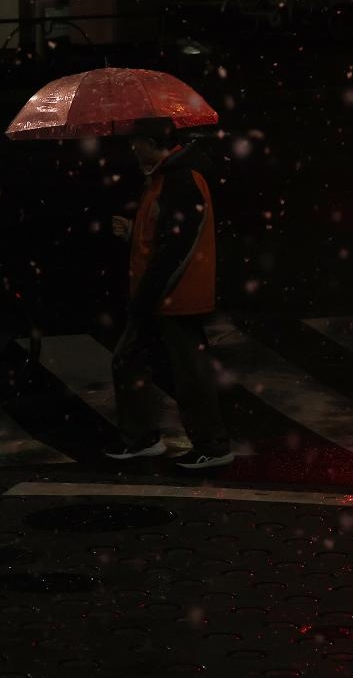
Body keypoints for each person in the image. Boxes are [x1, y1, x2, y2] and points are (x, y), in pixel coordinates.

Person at [107, 117, 233, 470]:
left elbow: (177, 248)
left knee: (186, 372)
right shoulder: (165, 177)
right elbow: (163, 235)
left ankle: (210, 444)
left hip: (175, 296)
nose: (132, 147)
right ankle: (144, 438)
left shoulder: (179, 180)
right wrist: (134, 232)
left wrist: (147, 297)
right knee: (135, 361)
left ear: (151, 143)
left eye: (136, 141)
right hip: (165, 294)